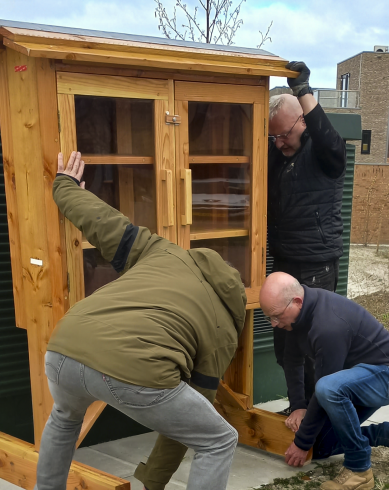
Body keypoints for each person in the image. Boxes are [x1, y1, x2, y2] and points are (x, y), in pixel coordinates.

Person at [36, 152, 247, 490]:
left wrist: (65, 186)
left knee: (64, 417)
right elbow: (182, 428)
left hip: (64, 348)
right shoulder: (224, 325)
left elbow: (102, 221)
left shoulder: (164, 252)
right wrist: (153, 481)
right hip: (134, 368)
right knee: (218, 439)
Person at [260, 272, 389, 490]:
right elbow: (292, 360)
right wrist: (298, 406)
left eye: (277, 316)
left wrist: (301, 442)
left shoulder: (327, 325)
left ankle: (359, 470)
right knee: (319, 447)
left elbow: (325, 388)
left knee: (327, 388)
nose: (273, 324)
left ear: (297, 302)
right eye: (268, 317)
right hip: (355, 379)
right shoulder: (297, 317)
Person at [268, 61, 347, 416]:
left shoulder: (322, 151)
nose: (280, 143)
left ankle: (319, 413)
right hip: (285, 260)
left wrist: (303, 90)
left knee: (314, 344)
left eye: (285, 134)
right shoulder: (277, 154)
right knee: (284, 344)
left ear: (302, 122)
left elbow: (331, 141)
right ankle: (296, 408)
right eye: (274, 137)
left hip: (317, 264)